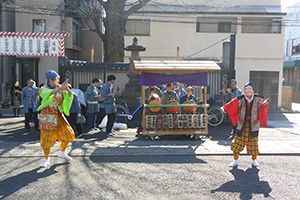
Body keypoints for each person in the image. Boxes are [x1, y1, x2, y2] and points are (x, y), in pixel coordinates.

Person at [224, 82, 269, 167]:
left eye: (250, 89)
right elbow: (232, 104)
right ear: (244, 91)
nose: (248, 91)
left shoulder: (258, 99)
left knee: (253, 144)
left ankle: (254, 160)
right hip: (242, 124)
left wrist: (265, 105)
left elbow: (264, 105)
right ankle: (235, 160)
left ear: (253, 90)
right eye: (246, 89)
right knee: (237, 143)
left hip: (254, 124)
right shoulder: (240, 99)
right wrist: (224, 107)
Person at [38, 70, 75, 167]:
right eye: (57, 79)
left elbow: (70, 96)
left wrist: (67, 89)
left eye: (58, 79)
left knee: (68, 133)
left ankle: (62, 152)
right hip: (47, 117)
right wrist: (60, 88)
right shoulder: (43, 89)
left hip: (58, 116)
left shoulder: (60, 88)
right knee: (46, 139)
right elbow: (47, 94)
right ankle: (46, 159)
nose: (58, 81)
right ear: (50, 80)